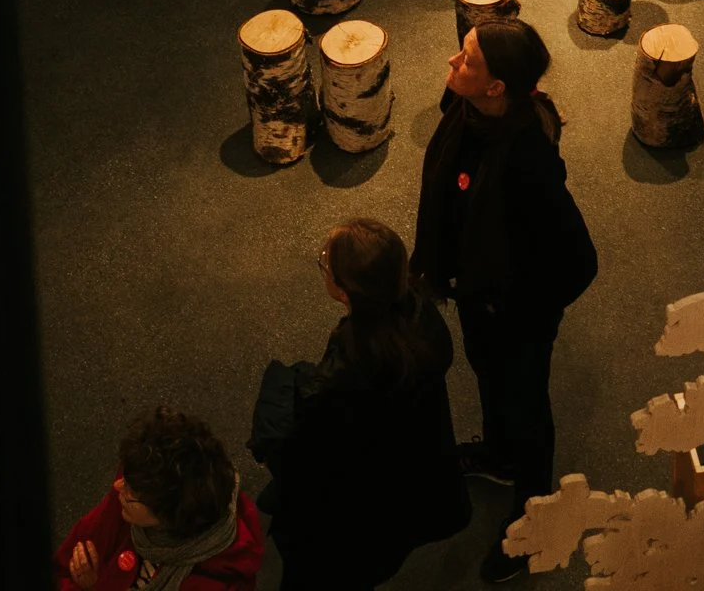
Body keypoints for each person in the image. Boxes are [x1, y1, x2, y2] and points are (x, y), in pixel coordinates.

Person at [411, 19, 598, 582]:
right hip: (475, 292)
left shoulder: (528, 164)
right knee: (489, 377)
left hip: (515, 314)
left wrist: (513, 310)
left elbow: (579, 263)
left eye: (466, 61)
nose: (451, 64)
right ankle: (498, 454)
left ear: (498, 88)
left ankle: (534, 510)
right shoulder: (467, 110)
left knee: (527, 404)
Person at [249, 218, 473, 591]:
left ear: (343, 291)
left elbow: (307, 446)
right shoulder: (423, 316)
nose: (323, 264)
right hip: (413, 478)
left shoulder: (346, 372)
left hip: (358, 510)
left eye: (325, 262)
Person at [56, 407, 264, 591]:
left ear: (168, 517)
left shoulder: (216, 580)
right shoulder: (139, 485)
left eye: (131, 493)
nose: (118, 486)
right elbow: (64, 566)